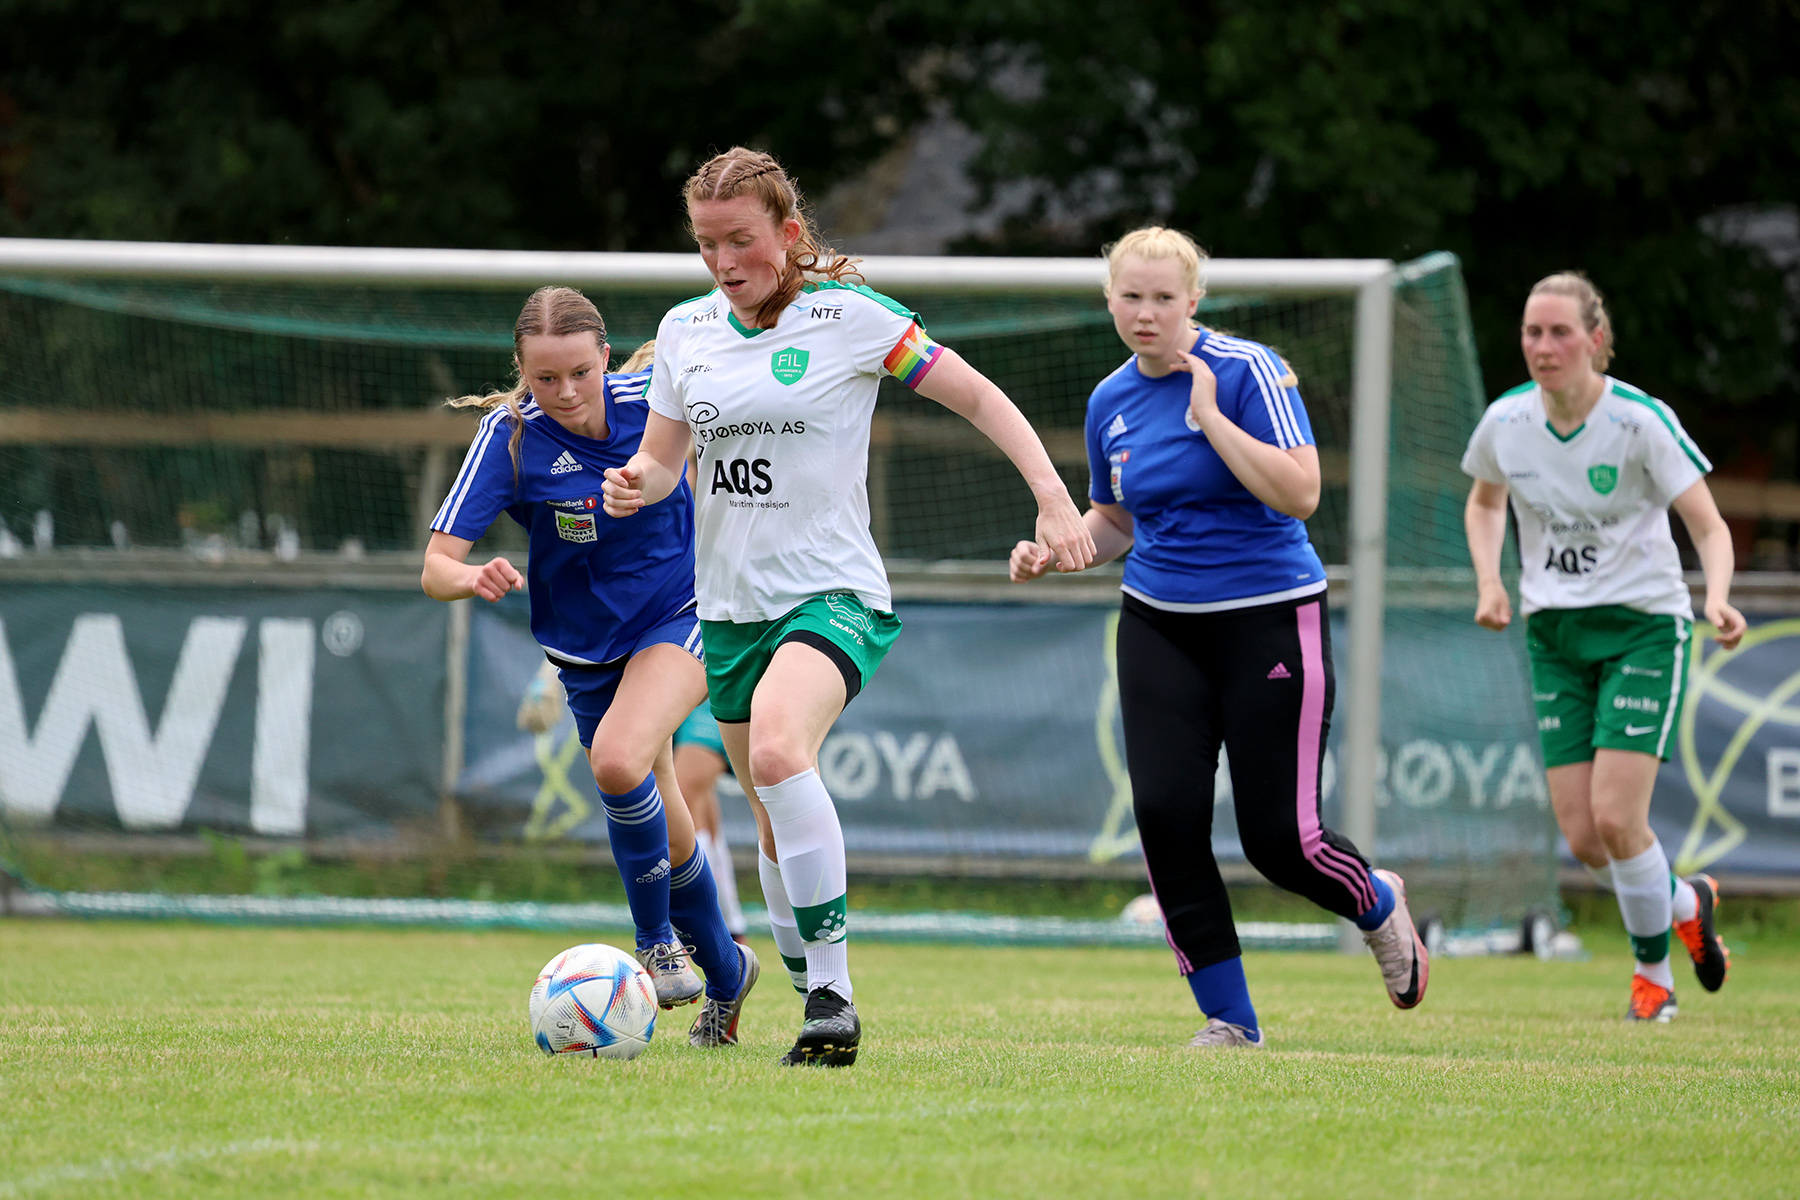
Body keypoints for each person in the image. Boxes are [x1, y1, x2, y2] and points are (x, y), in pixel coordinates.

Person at [603, 146, 1095, 1066]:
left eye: (741, 241)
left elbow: (981, 397)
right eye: (707, 244)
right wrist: (636, 481)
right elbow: (666, 461)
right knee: (769, 812)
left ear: (788, 234)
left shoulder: (849, 319)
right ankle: (804, 990)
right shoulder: (685, 333)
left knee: (786, 752)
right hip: (732, 612)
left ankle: (833, 994)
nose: (723, 262)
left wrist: (1053, 496)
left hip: (834, 596)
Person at [1010, 226, 1429, 1050]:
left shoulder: (1249, 372)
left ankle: (1377, 902)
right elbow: (1119, 521)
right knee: (1167, 817)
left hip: (1270, 616)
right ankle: (1229, 1019)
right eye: (1130, 297)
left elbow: (1303, 493)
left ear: (1194, 301)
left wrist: (1211, 419)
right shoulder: (1109, 401)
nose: (1146, 312)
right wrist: (1056, 554)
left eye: (1164, 298)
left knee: (1281, 840)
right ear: (1110, 301)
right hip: (1159, 624)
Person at [422, 286, 758, 1048]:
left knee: (616, 761)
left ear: (606, 355)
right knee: (663, 813)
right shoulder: (509, 439)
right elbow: (435, 566)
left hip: (683, 612)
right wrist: (473, 577)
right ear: (522, 372)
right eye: (546, 378)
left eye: (580, 372)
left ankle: (656, 943)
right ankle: (731, 976)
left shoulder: (661, 401)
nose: (566, 392)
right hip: (582, 649)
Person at [1461, 271, 1742, 1022]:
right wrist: (1492, 581)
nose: (1543, 347)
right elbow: (1485, 501)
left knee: (1621, 820)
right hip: (1554, 632)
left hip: (1643, 627)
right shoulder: (1506, 423)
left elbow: (1709, 526)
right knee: (1586, 839)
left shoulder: (1640, 422)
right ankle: (1687, 901)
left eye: (1558, 332)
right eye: (1531, 332)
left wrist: (1715, 595)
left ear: (1596, 339)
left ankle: (1654, 980)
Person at [673, 703, 751, 944]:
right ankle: (730, 925)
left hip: (709, 691)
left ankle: (700, 925)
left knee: (682, 799)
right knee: (701, 814)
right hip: (674, 697)